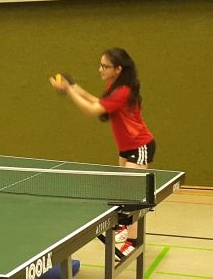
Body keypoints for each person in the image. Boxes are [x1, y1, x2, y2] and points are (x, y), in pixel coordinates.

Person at [50, 47, 156, 256]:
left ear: (118, 69)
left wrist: (70, 91)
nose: (100, 69)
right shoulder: (115, 86)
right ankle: (127, 227)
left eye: (105, 66)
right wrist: (75, 87)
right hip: (126, 148)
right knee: (124, 191)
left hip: (140, 146)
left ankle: (133, 241)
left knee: (132, 196)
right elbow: (99, 102)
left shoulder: (123, 91)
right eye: (100, 65)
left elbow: (92, 110)